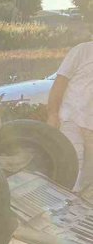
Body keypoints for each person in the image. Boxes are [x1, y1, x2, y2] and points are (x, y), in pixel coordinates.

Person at [47, 40, 93, 191]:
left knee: (88, 181)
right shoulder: (82, 51)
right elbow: (60, 82)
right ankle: (63, 211)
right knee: (72, 172)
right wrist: (52, 114)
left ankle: (82, 212)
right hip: (71, 121)